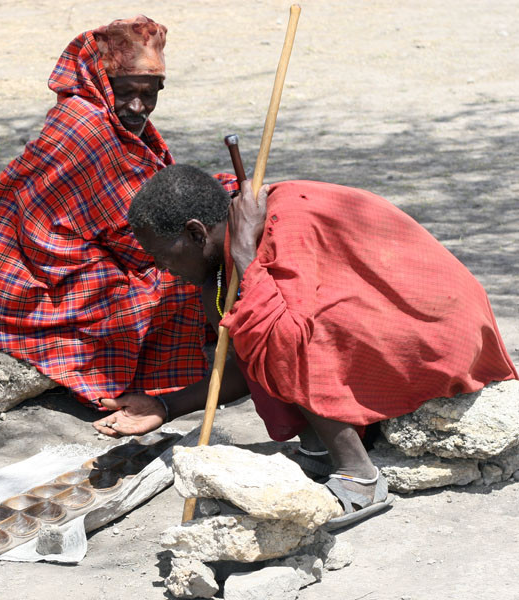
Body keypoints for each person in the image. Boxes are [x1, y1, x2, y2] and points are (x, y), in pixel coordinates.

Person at [96, 164, 518, 527]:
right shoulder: (221, 272)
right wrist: (164, 407)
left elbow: (286, 343)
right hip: (393, 323)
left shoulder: (277, 230)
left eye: (160, 255)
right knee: (252, 316)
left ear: (195, 232)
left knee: (279, 329)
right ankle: (323, 446)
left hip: (435, 322)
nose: (161, 269)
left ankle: (359, 476)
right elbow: (246, 365)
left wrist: (245, 252)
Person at [0, 15, 236, 409]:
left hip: (85, 256)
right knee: (185, 276)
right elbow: (138, 239)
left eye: (150, 94)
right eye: (127, 93)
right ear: (104, 83)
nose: (139, 107)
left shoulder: (117, 121)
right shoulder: (86, 128)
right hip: (37, 281)